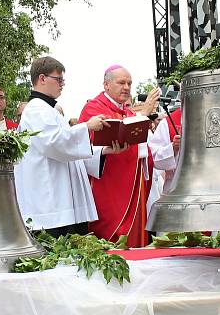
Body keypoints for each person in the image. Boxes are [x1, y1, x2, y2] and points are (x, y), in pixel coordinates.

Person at [14, 56, 122, 237]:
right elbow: (54, 144)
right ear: (42, 79)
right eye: (59, 79)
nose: (62, 84)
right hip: (50, 205)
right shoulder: (36, 109)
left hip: (64, 202)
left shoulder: (49, 110)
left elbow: (70, 151)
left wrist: (104, 150)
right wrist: (86, 126)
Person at [77, 65, 159, 246]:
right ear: (106, 85)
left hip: (132, 186)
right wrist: (143, 115)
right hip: (107, 187)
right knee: (109, 240)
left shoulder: (128, 113)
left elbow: (143, 149)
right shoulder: (93, 108)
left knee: (133, 242)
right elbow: (83, 149)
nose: (127, 87)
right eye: (121, 82)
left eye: (129, 83)